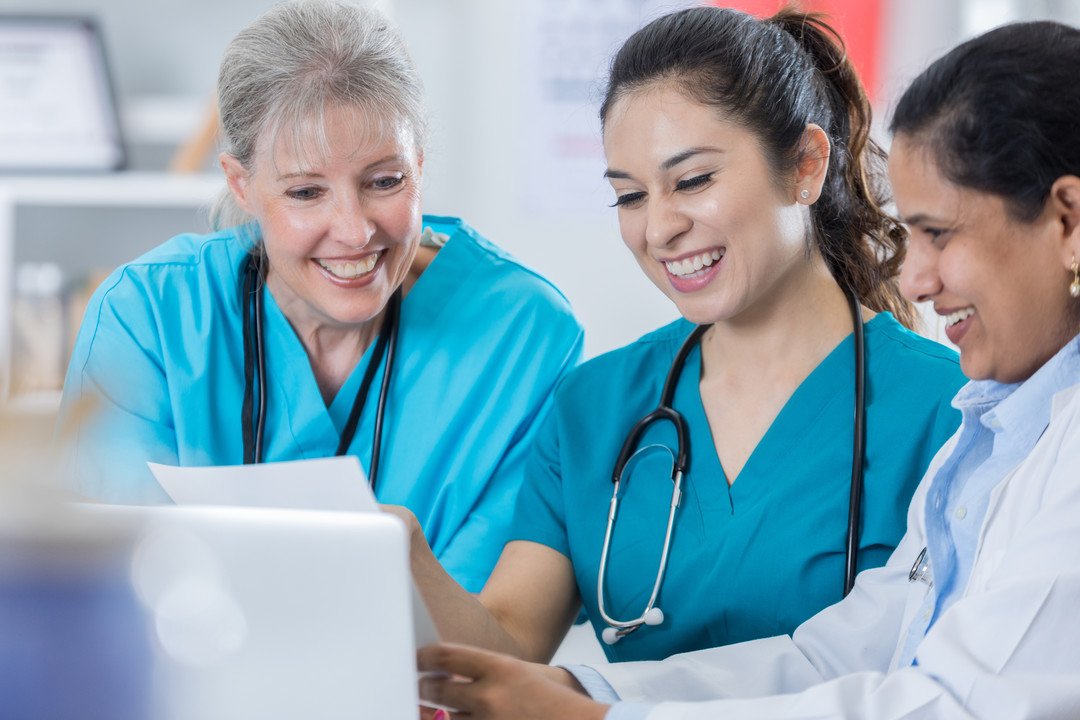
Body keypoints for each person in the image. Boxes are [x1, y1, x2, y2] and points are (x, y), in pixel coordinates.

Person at [416, 17, 1080, 719]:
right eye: (631, 194)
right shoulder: (999, 432)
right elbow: (833, 656)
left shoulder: (963, 414)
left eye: (939, 234)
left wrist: (606, 716)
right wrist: (588, 690)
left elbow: (947, 706)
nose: (913, 277)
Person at [56, 0, 583, 593]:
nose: (356, 230)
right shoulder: (147, 316)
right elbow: (103, 591)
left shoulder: (523, 334)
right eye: (306, 192)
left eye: (386, 182)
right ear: (241, 184)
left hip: (424, 685)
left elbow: (491, 630)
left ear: (420, 165)